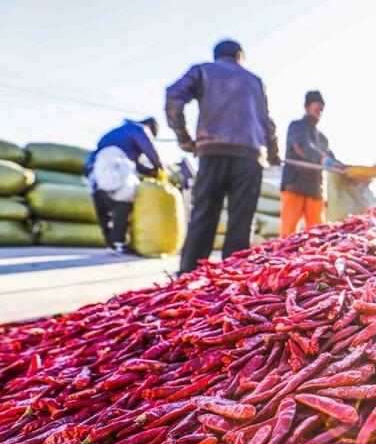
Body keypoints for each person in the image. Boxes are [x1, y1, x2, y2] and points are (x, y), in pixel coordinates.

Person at [166, 39, 280, 274]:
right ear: (240, 56)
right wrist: (274, 154)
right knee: (241, 220)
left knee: (204, 214)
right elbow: (267, 122)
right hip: (249, 156)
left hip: (213, 152)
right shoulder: (255, 81)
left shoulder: (203, 70)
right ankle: (232, 278)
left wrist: (184, 138)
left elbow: (173, 98)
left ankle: (188, 275)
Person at [85, 117, 162, 254]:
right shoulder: (139, 129)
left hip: (95, 171)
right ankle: (118, 243)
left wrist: (149, 171)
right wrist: (159, 167)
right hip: (115, 170)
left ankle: (111, 244)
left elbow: (136, 164)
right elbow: (150, 148)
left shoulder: (119, 133)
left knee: (103, 205)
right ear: (149, 126)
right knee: (123, 204)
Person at [280, 90, 341, 236]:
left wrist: (347, 169)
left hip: (315, 190)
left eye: (321, 110)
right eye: (317, 108)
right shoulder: (296, 127)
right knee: (287, 235)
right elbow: (301, 146)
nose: (319, 113)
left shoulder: (322, 139)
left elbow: (331, 159)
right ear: (307, 107)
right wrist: (321, 158)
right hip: (294, 186)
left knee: (318, 236)